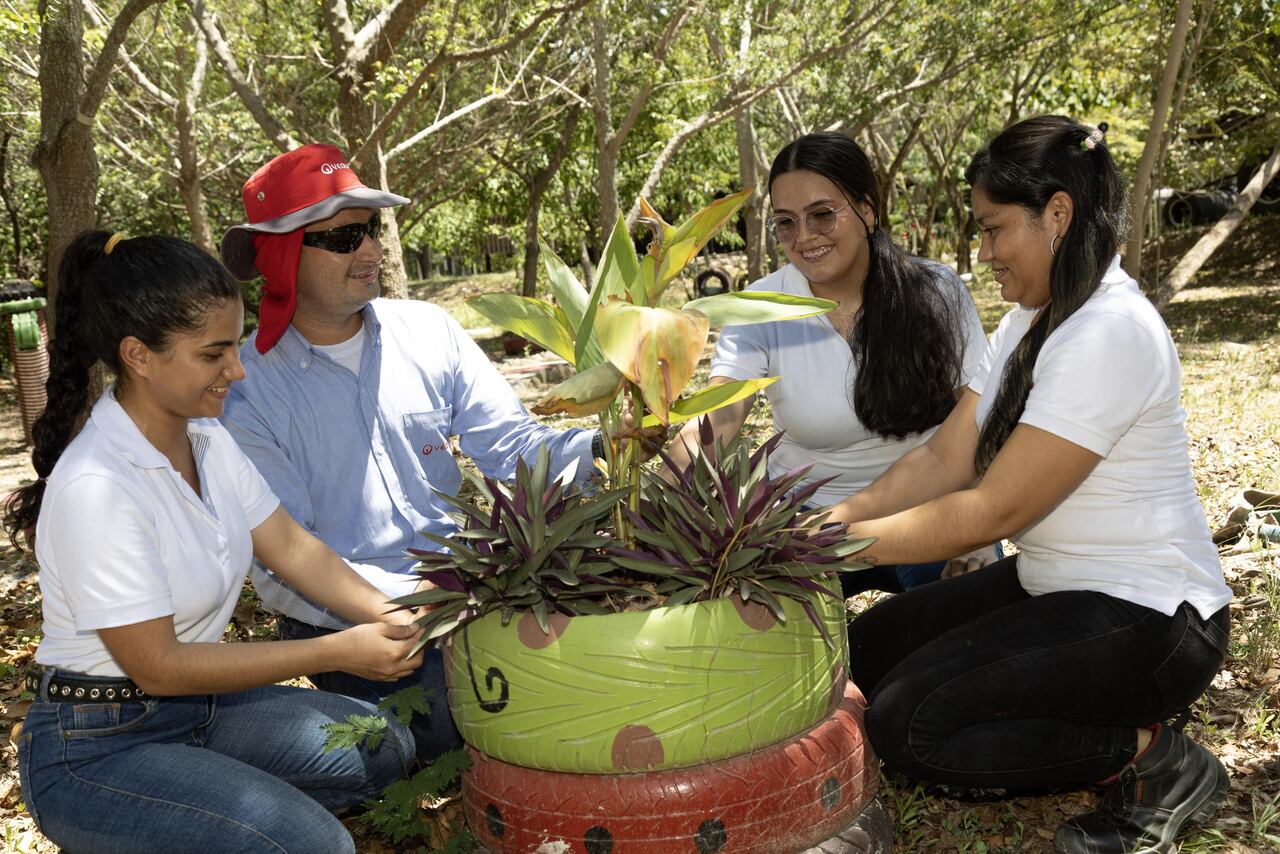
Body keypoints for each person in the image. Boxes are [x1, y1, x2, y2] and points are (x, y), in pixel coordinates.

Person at [825, 116, 1231, 853]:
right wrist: (831, 522)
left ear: (1058, 214)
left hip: (1152, 621)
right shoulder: (1029, 321)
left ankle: (1154, 761)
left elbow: (992, 508)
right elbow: (944, 460)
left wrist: (831, 547)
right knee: (863, 655)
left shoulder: (1109, 330)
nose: (982, 254)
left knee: (907, 723)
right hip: (1054, 584)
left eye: (991, 229)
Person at [3, 231, 421, 854]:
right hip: (94, 746)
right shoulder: (97, 485)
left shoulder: (207, 439)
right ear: (139, 355)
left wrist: (392, 616)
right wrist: (338, 650)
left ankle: (200, 808)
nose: (238, 368)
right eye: (214, 353)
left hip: (199, 711)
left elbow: (292, 548)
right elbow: (160, 666)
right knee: (312, 846)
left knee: (381, 742)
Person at [218, 143, 616, 761]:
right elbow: (286, 556)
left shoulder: (428, 332)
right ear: (283, 255)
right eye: (346, 237)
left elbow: (511, 447)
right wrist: (415, 616)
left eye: (371, 229)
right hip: (355, 626)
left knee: (600, 679)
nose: (373, 250)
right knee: (456, 734)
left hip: (475, 589)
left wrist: (604, 450)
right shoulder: (244, 390)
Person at [664, 132, 993, 593]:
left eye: (822, 214)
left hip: (929, 507)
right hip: (806, 523)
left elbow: (977, 419)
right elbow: (718, 419)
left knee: (960, 633)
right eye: (786, 222)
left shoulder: (935, 291)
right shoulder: (762, 306)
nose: (804, 237)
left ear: (867, 209)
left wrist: (971, 533)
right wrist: (648, 501)